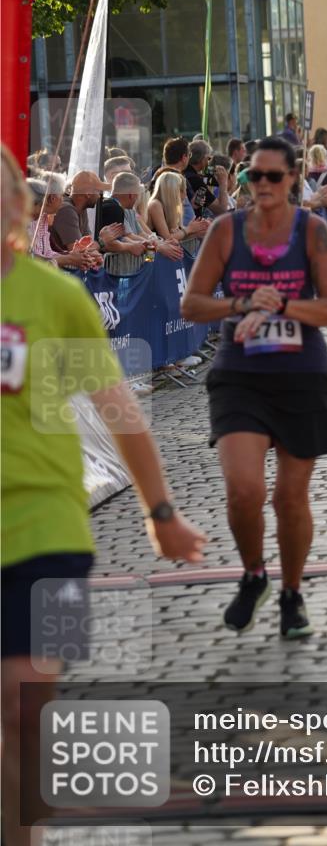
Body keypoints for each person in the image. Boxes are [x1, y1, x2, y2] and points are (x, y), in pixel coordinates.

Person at [1, 144, 208, 846]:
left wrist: (161, 512)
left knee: (28, 697)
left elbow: (120, 411)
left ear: (19, 212)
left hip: (50, 524)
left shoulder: (55, 298)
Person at [181, 137, 327, 639]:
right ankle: (254, 572)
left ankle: (292, 593)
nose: (264, 185)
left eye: (274, 177)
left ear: (293, 178)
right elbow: (192, 304)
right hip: (240, 376)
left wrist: (280, 306)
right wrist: (242, 303)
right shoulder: (227, 232)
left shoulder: (312, 231)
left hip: (300, 376)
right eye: (255, 176)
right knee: (244, 491)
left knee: (290, 499)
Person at [27, 174, 94, 271]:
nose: (63, 201)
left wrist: (74, 258)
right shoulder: (24, 220)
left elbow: (46, 253)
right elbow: (31, 258)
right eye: (62, 196)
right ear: (52, 198)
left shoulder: (43, 218)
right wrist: (69, 259)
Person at [147, 172, 209, 243]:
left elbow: (178, 237)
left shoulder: (170, 207)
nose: (185, 195)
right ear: (172, 191)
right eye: (182, 191)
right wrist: (189, 229)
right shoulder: (155, 205)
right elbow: (167, 238)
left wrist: (197, 231)